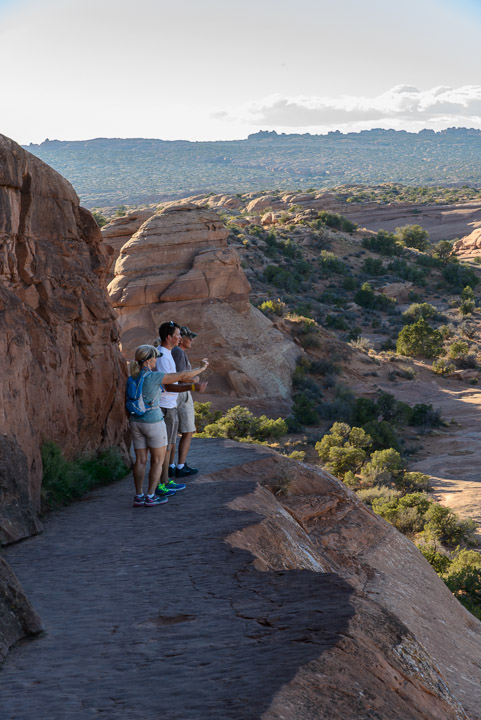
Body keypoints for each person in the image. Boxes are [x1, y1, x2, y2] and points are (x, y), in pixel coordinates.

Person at [128, 344, 208, 507]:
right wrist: (202, 368)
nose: (156, 361)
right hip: (153, 421)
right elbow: (182, 375)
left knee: (140, 460)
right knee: (158, 460)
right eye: (154, 358)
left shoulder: (132, 378)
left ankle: (139, 496)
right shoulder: (154, 377)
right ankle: (151, 496)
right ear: (148, 360)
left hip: (135, 421)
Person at [155, 321, 209, 488]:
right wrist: (193, 384)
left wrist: (199, 371)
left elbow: (178, 377)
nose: (181, 338)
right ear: (169, 337)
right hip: (166, 405)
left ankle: (165, 481)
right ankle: (162, 483)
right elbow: (172, 384)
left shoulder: (167, 353)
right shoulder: (167, 355)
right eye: (178, 335)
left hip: (168, 404)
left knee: (168, 446)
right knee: (166, 447)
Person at [171, 326, 202, 478]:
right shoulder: (178, 352)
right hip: (181, 393)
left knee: (172, 432)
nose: (191, 340)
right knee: (188, 430)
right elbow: (180, 376)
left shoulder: (175, 351)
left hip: (175, 393)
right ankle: (180, 466)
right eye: (189, 337)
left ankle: (170, 466)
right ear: (181, 338)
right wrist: (195, 379)